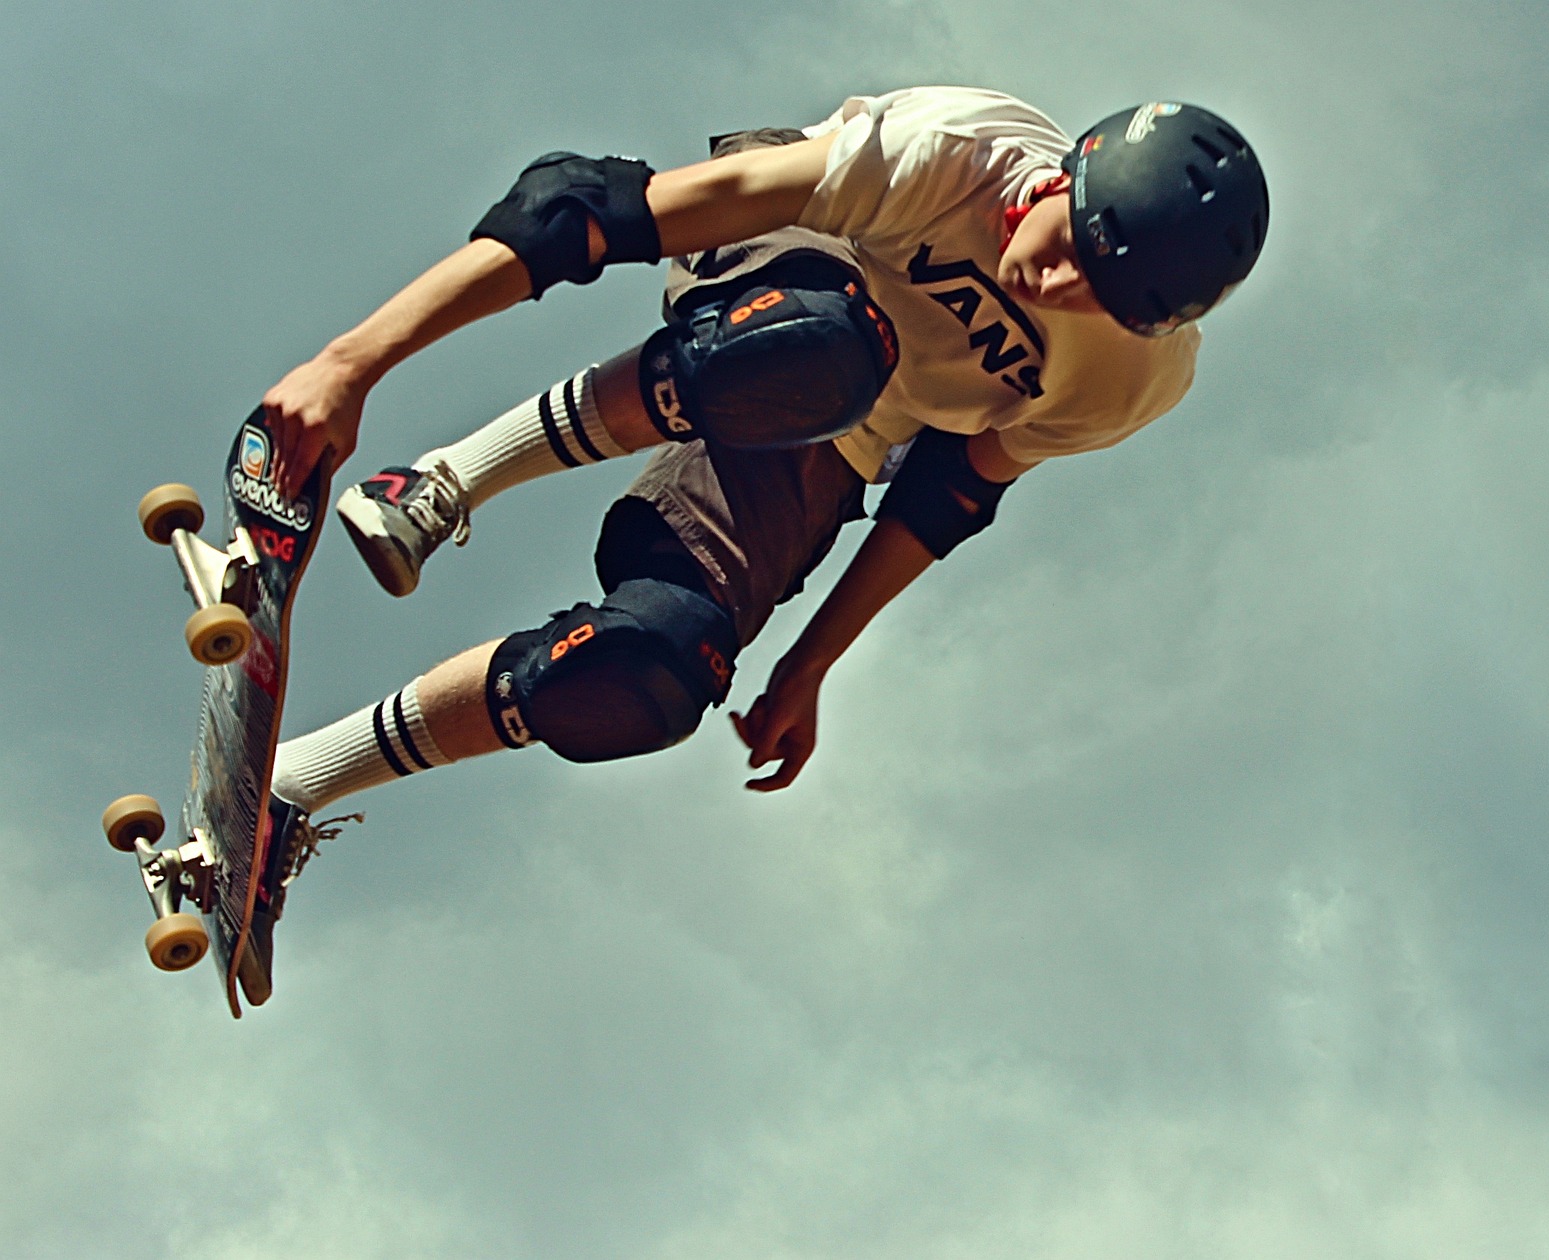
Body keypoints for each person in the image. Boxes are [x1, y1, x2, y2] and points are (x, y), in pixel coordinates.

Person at [238, 87, 1268, 1001]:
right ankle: (444, 481)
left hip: (835, 446)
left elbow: (948, 495)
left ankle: (290, 790)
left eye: (1103, 297)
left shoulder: (1134, 382)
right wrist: (352, 364)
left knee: (650, 669)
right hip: (794, 276)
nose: (1057, 287)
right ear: (1060, 178)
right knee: (815, 347)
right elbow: (587, 216)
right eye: (1070, 247)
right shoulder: (945, 151)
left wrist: (810, 663)